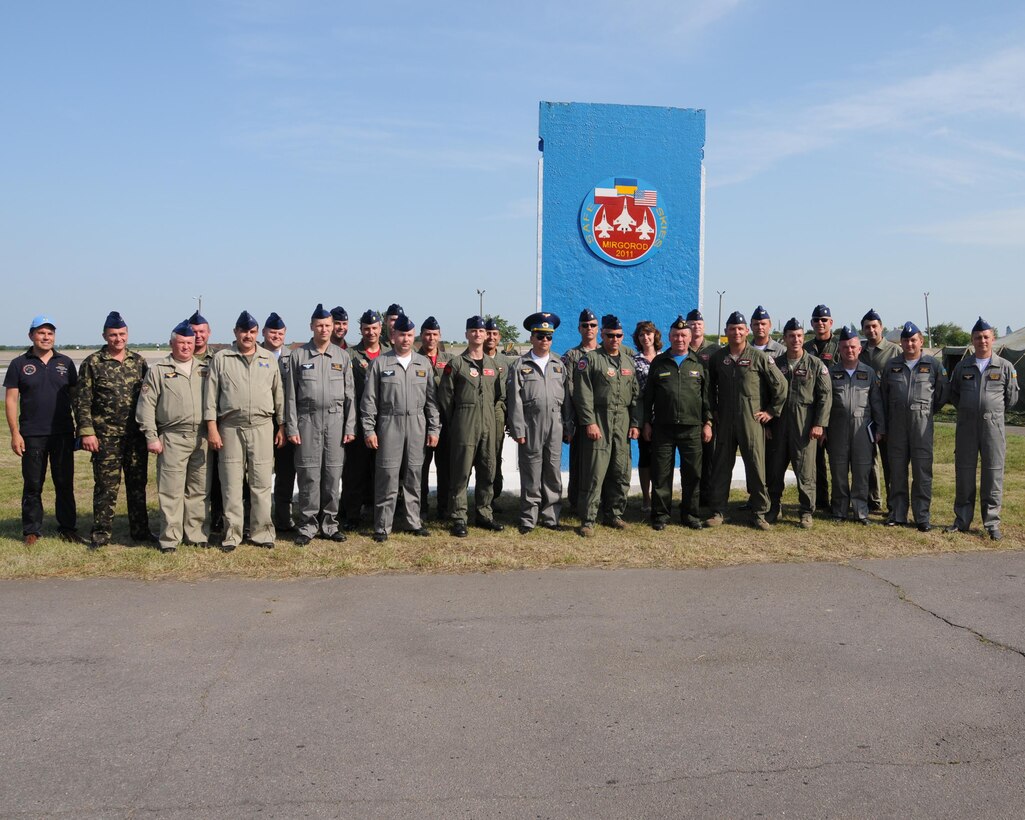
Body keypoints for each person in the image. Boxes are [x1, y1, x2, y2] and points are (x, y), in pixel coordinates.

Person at [205, 310, 285, 551]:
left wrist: (281, 425)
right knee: (231, 484)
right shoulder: (222, 358)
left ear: (257, 333)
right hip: (230, 428)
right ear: (235, 332)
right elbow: (210, 396)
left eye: (251, 332)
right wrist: (212, 427)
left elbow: (278, 393)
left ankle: (262, 533)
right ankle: (232, 534)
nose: (247, 336)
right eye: (243, 331)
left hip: (262, 427)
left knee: (261, 483)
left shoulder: (268, 358)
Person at [4, 314, 85, 545]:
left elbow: (75, 398)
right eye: (41, 332)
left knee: (64, 482)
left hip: (62, 433)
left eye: (50, 333)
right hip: (32, 434)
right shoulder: (19, 364)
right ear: (31, 335)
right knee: (33, 484)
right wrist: (15, 433)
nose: (46, 337)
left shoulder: (66, 363)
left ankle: (68, 528)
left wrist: (81, 428)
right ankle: (31, 530)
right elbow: (11, 400)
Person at [73, 310, 151, 548]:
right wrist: (87, 432)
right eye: (113, 335)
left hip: (135, 435)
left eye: (122, 334)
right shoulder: (93, 363)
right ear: (105, 336)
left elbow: (149, 399)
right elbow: (82, 400)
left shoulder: (138, 362)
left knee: (138, 485)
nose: (118, 339)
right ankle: (101, 534)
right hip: (105, 437)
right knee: (106, 486)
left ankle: (140, 532)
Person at [704, 311, 787, 530]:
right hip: (725, 422)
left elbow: (781, 385)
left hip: (751, 421)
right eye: (732, 329)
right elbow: (709, 389)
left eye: (740, 329)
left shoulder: (759, 357)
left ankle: (759, 512)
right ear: (726, 332)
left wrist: (771, 412)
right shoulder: (717, 358)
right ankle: (718, 511)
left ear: (746, 331)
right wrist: (713, 412)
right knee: (721, 466)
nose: (736, 332)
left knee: (756, 467)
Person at [362, 314, 440, 541]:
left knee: (414, 475)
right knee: (387, 476)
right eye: (401, 335)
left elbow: (432, 401)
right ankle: (382, 526)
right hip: (389, 424)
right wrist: (369, 429)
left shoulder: (423, 363)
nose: (405, 339)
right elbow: (369, 400)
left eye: (409, 335)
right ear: (392, 336)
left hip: (417, 424)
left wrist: (434, 429)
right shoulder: (380, 363)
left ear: (413, 336)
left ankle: (413, 522)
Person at [135, 320, 211, 552]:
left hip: (201, 436)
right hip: (172, 437)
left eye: (189, 343)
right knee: (171, 491)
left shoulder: (204, 369)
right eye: (181, 343)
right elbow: (146, 406)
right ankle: (170, 538)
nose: (186, 347)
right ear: (171, 343)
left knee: (199, 490)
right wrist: (151, 436)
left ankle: (196, 534)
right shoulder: (159, 370)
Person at [284, 304, 355, 546]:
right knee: (309, 475)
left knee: (332, 475)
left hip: (336, 421)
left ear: (333, 327)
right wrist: (291, 427)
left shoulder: (342, 357)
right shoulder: (299, 356)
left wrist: (350, 427)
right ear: (311, 327)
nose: (324, 329)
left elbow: (350, 397)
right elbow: (290, 396)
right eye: (319, 326)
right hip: (307, 421)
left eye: (328, 325)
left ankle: (330, 524)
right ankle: (307, 525)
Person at [946, 317, 1019, 540]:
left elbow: (1012, 397)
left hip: (993, 427)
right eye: (978, 337)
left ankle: (992, 522)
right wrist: (970, 409)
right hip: (967, 426)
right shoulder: (962, 366)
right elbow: (954, 394)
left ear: (992, 339)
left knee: (993, 473)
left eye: (986, 337)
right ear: (972, 340)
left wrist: (991, 410)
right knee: (964, 473)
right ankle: (962, 520)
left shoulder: (1005, 367)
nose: (982, 341)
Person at [641, 316, 712, 531]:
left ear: (690, 337)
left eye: (683, 335)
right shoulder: (659, 363)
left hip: (692, 428)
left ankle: (690, 514)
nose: (679, 338)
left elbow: (706, 397)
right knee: (661, 474)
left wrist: (707, 422)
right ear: (669, 338)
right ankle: (661, 515)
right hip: (663, 427)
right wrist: (646, 423)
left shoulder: (698, 364)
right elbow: (648, 398)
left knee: (692, 474)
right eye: (675, 335)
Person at [437, 315, 505, 537]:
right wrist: (457, 420)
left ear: (486, 335)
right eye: (473, 331)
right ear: (467, 334)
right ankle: (458, 517)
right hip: (464, 423)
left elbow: (498, 397)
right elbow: (446, 399)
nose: (477, 334)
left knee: (487, 470)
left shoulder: (493, 365)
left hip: (487, 423)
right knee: (461, 472)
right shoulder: (456, 364)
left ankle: (485, 514)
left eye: (481, 331)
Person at [506, 312, 574, 533]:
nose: (545, 341)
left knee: (553, 471)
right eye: (540, 336)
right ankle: (528, 518)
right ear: (532, 338)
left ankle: (551, 517)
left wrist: (568, 426)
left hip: (555, 423)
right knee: (531, 472)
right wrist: (518, 428)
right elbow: (514, 400)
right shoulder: (520, 365)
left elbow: (567, 399)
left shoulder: (558, 364)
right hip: (531, 424)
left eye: (548, 336)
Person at [574, 314, 641, 536]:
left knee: (621, 471)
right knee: (595, 472)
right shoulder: (591, 359)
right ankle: (588, 519)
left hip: (622, 420)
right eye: (610, 335)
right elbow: (583, 394)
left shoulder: (628, 360)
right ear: (602, 335)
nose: (614, 339)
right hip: (599, 419)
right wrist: (589, 422)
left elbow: (635, 396)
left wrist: (635, 423)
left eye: (618, 335)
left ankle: (614, 514)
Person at [880, 322, 948, 532]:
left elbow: (942, 394)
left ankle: (922, 516)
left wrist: (924, 411)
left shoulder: (933, 365)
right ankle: (898, 514)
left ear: (921, 341)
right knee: (897, 471)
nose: (910, 344)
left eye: (913, 340)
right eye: (906, 340)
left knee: (922, 472)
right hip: (897, 427)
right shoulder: (891, 366)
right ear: (901, 343)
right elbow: (883, 396)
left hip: (922, 427)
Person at [767, 318, 831, 528]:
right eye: (791, 336)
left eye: (799, 336)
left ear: (804, 338)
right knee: (775, 470)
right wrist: (767, 423)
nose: (795, 339)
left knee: (805, 471)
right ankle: (774, 507)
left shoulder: (815, 364)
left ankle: (806, 511)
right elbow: (766, 393)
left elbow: (825, 396)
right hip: (779, 425)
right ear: (784, 338)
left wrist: (819, 424)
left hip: (804, 426)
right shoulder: (776, 364)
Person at [824, 327, 884, 524]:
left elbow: (876, 403)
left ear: (859, 349)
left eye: (852, 347)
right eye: (844, 347)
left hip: (862, 429)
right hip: (837, 427)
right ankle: (839, 510)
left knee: (862, 471)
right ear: (839, 350)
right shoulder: (831, 374)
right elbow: (825, 403)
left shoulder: (869, 373)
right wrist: (823, 427)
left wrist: (880, 428)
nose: (849, 350)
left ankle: (861, 511)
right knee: (839, 471)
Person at [341, 309, 385, 529]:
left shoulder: (389, 354)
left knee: (382, 471)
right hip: (357, 422)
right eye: (366, 329)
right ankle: (352, 515)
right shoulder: (350, 355)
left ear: (381, 329)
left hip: (385, 423)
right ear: (361, 330)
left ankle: (381, 514)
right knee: (355, 472)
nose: (371, 332)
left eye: (374, 328)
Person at [860, 309, 902, 514]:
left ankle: (895, 503)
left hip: (889, 413)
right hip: (866, 415)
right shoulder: (859, 352)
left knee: (890, 461)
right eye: (867, 327)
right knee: (868, 459)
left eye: (874, 326)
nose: (871, 330)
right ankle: (873, 499)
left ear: (881, 327)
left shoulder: (894, 352)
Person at [561, 308, 600, 511]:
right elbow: (568, 390)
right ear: (579, 328)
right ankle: (576, 502)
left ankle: (599, 501)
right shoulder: (572, 355)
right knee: (579, 462)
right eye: (585, 325)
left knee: (600, 463)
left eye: (593, 325)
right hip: (578, 417)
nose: (589, 329)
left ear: (598, 328)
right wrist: (568, 423)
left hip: (602, 417)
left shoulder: (606, 353)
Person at [261, 312, 295, 532]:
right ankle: (258, 518)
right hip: (261, 421)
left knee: (285, 471)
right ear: (264, 333)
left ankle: (283, 518)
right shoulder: (255, 354)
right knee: (259, 473)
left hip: (286, 421)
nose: (276, 336)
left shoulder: (293, 357)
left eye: (280, 333)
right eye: (272, 332)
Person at [418, 316, 453, 520]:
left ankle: (444, 508)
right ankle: (421, 508)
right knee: (420, 468)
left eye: (434, 334)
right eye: (427, 334)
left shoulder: (449, 359)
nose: (431, 338)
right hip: (421, 421)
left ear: (439, 336)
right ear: (421, 336)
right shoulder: (414, 358)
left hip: (446, 422)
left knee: (445, 467)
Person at [190, 310, 221, 531]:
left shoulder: (218, 359)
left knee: (219, 478)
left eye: (202, 331)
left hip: (216, 427)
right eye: (194, 332)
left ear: (209, 333)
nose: (198, 336)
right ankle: (191, 523)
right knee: (193, 481)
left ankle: (219, 520)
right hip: (189, 429)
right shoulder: (181, 357)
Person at [808, 304, 839, 514]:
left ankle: (839, 501)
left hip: (836, 411)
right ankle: (820, 500)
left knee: (837, 459)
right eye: (817, 320)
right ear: (812, 323)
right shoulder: (806, 347)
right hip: (813, 411)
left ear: (831, 323)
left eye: (824, 320)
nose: (821, 323)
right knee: (816, 459)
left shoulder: (840, 346)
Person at [687, 308, 718, 506]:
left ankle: (708, 494)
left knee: (710, 454)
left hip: (710, 407)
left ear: (703, 326)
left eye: (699, 324)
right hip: (689, 408)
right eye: (692, 324)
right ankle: (693, 494)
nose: (695, 326)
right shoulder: (681, 348)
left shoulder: (714, 350)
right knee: (693, 455)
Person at [484, 317, 516, 506]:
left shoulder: (506, 362)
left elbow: (511, 392)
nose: (490, 337)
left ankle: (493, 496)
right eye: (488, 333)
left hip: (498, 411)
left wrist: (510, 419)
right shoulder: (477, 357)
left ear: (499, 337)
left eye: (494, 334)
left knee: (494, 455)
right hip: (479, 409)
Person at [631, 319, 661, 515]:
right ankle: (646, 497)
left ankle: (660, 497)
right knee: (645, 456)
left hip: (665, 414)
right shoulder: (634, 361)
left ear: (655, 335)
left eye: (648, 333)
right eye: (642, 334)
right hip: (644, 415)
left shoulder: (665, 358)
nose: (646, 337)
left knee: (661, 458)